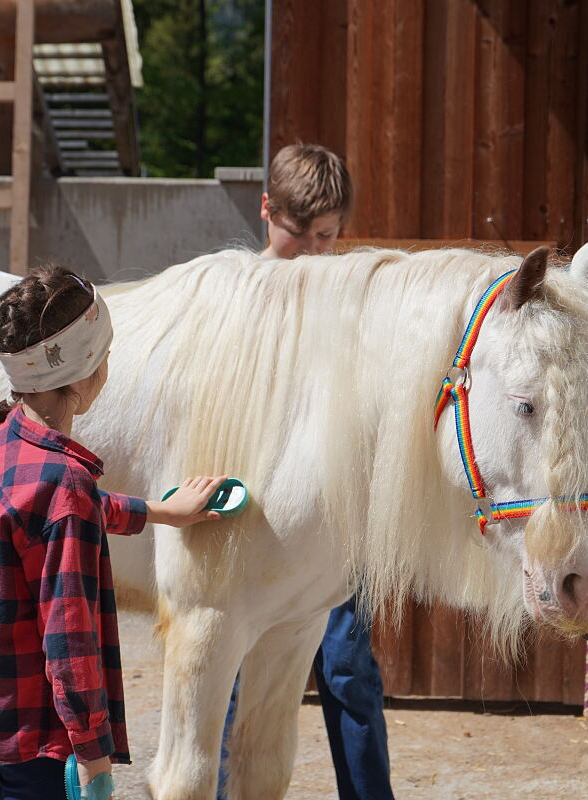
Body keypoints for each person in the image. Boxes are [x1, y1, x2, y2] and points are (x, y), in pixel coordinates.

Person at [0, 265, 227, 800]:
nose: (108, 366)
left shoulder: (6, 439)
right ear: (80, 374)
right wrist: (94, 755)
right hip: (35, 746)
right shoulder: (66, 485)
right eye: (104, 355)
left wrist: (157, 511)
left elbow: (54, 513)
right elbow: (69, 637)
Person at [220, 143, 394, 800]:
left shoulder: (349, 301)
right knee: (236, 675)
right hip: (254, 524)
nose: (317, 253)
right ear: (267, 211)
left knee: (349, 673)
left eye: (329, 237)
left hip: (334, 523)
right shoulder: (238, 293)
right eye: (301, 236)